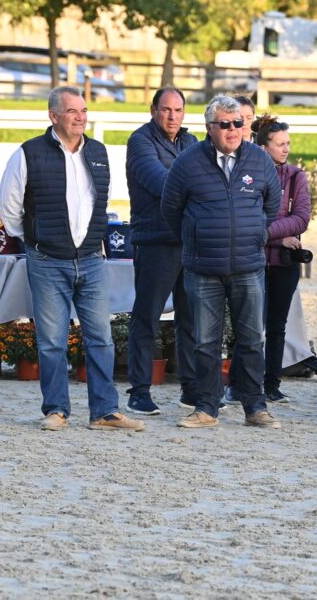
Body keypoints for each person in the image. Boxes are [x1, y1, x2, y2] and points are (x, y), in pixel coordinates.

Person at [0, 86, 144, 432]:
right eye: (72, 111)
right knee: (52, 341)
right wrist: (36, 239)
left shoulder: (98, 151)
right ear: (53, 116)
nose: (81, 117)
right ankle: (56, 410)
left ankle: (105, 411)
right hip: (47, 261)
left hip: (91, 259)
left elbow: (100, 202)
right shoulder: (28, 153)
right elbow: (8, 206)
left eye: (84, 110)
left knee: (101, 338)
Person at [161, 94, 281, 429]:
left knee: (252, 340)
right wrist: (197, 237)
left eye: (238, 123)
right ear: (209, 127)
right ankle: (206, 408)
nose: (233, 130)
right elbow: (171, 209)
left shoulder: (259, 160)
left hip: (248, 266)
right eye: (225, 124)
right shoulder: (187, 162)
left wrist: (254, 234)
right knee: (205, 342)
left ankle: (255, 407)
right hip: (203, 268)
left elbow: (271, 206)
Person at [123, 87, 198, 415]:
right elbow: (161, 183)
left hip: (188, 242)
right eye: (166, 109)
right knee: (147, 318)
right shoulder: (140, 141)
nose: (172, 116)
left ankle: (191, 389)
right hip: (155, 241)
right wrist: (199, 190)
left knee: (190, 318)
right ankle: (139, 391)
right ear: (153, 110)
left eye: (178, 110)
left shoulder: (191, 142)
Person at [254, 113, 311, 403]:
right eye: (280, 144)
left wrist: (264, 234)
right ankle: (244, 382)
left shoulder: (297, 176)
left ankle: (272, 384)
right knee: (249, 326)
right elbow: (248, 218)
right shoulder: (251, 174)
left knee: (277, 326)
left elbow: (301, 218)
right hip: (253, 261)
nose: (286, 149)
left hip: (284, 263)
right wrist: (277, 237)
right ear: (264, 147)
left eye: (287, 143)